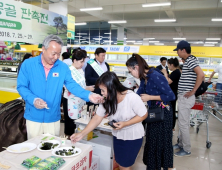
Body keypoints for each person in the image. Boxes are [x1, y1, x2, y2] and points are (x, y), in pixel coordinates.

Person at [17, 34, 103, 139]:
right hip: (33, 116)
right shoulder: (28, 64)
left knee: (52, 148)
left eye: (59, 54)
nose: (56, 57)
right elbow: (21, 86)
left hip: (53, 116)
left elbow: (72, 85)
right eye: (53, 54)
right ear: (43, 49)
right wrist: (33, 100)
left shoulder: (62, 67)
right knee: (35, 148)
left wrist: (88, 95)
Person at [71, 72, 148, 170]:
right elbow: (97, 118)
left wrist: (125, 123)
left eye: (103, 90)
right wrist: (81, 134)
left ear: (112, 87)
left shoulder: (131, 97)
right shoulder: (107, 99)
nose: (102, 93)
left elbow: (144, 114)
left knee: (125, 166)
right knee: (120, 163)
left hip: (132, 136)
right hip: (117, 135)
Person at [126, 54, 175, 170]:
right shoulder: (145, 77)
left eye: (130, 71)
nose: (131, 74)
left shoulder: (155, 76)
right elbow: (139, 94)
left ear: (136, 67)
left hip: (163, 115)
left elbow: (170, 96)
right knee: (152, 142)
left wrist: (150, 97)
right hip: (154, 113)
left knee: (160, 143)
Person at [173, 40, 204, 157]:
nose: (177, 53)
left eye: (178, 51)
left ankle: (186, 149)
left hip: (186, 96)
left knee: (183, 124)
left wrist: (193, 91)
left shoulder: (190, 60)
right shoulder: (189, 61)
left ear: (183, 50)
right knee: (181, 123)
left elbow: (201, 75)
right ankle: (180, 144)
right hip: (183, 96)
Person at [63, 50, 95, 138]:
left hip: (80, 99)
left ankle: (77, 138)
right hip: (70, 100)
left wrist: (86, 88)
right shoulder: (68, 70)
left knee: (79, 121)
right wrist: (86, 89)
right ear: (74, 60)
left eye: (83, 61)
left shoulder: (80, 70)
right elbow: (69, 87)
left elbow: (82, 84)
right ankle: (68, 140)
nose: (82, 64)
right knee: (70, 123)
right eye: (81, 61)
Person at [162, 58, 181, 133]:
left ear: (172, 65)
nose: (168, 67)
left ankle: (172, 126)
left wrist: (165, 73)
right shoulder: (175, 72)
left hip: (172, 94)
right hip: (172, 93)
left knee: (171, 110)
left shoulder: (176, 72)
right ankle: (171, 125)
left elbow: (168, 82)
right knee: (170, 109)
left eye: (168, 65)